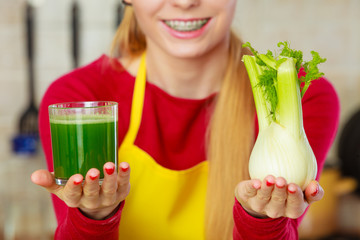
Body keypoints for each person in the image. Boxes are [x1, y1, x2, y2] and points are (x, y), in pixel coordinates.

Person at [31, 0, 340, 239]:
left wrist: (262, 222)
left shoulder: (299, 97)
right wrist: (93, 217)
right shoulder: (79, 104)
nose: (184, 1)